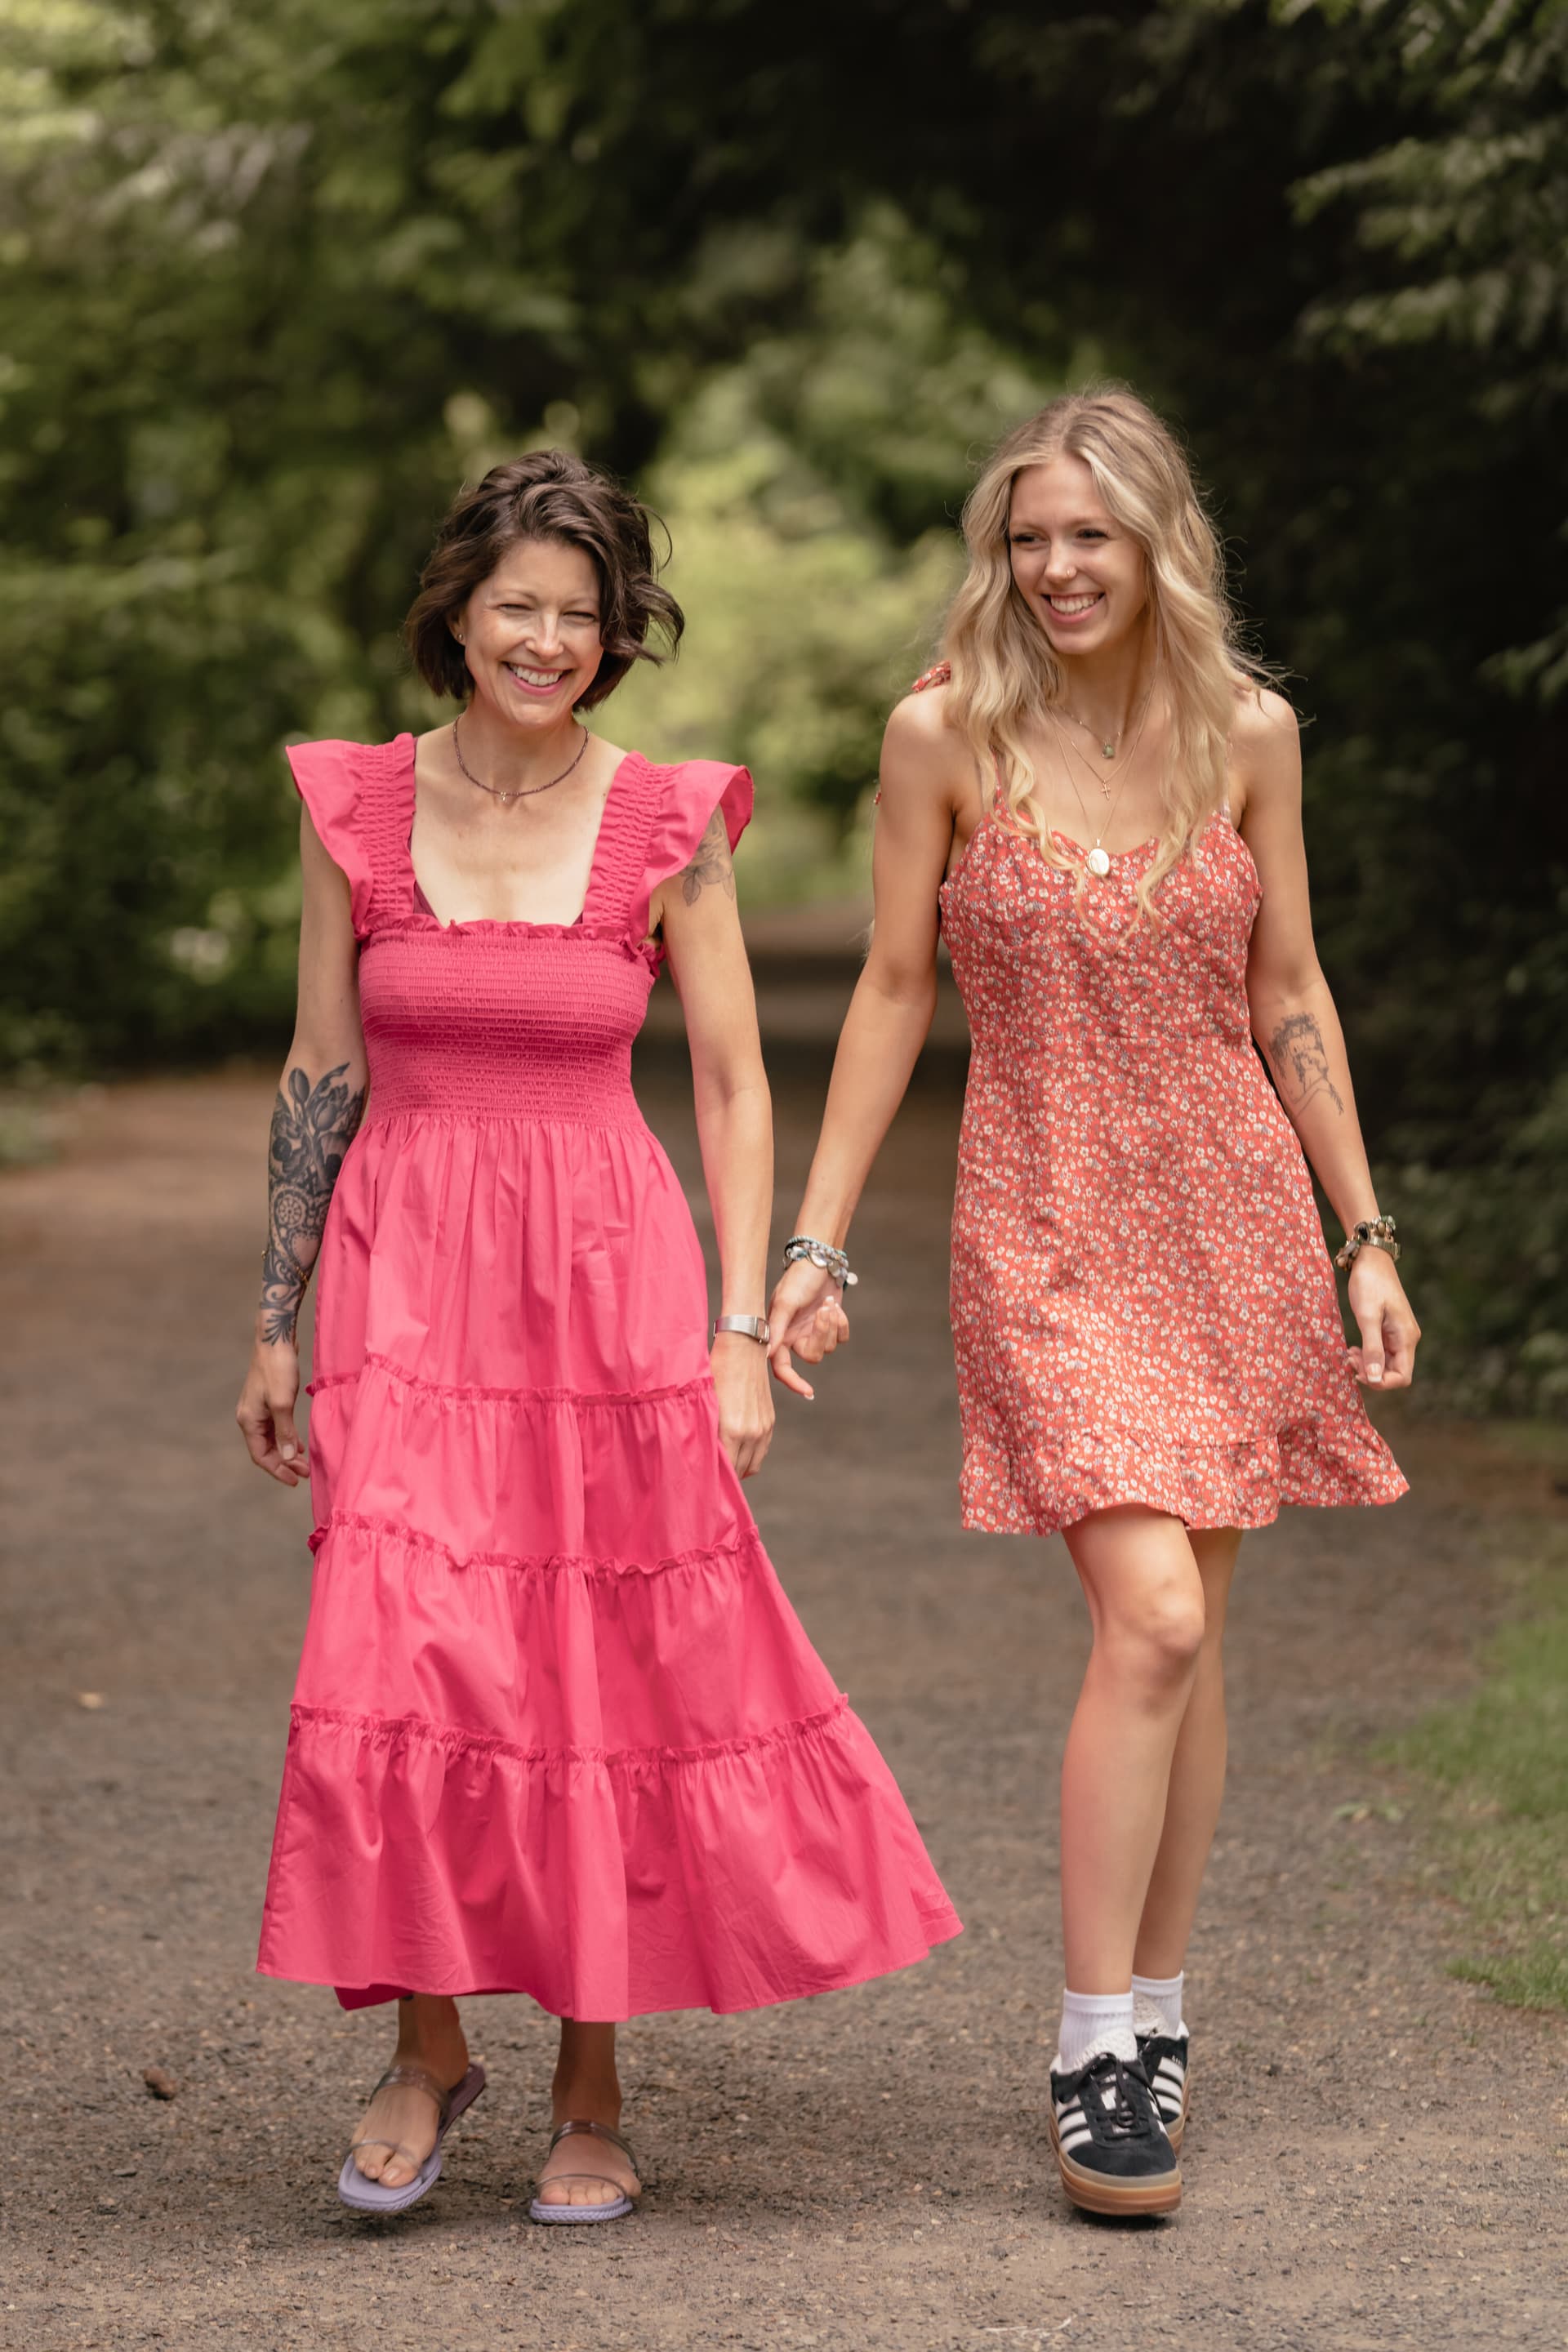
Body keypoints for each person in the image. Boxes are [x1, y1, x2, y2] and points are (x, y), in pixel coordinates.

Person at [235, 451, 959, 2224]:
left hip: (605, 1275)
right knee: (409, 1659)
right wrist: (274, 1315)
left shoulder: (667, 821)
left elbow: (726, 1077)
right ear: (456, 616)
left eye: (581, 613)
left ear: (616, 634)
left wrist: (734, 1330)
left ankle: (592, 2080)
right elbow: (324, 1064)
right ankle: (427, 2043)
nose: (546, 639)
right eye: (517, 608)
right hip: (404, 1280)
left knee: (587, 1672)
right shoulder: (356, 806)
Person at [766, 387, 1417, 2218]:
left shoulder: (1250, 736)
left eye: (1090, 537)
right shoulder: (943, 740)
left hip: (1233, 1222)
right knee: (1149, 1616)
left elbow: (1291, 986)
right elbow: (894, 988)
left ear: (1154, 549)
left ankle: (1163, 2009)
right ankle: (1092, 2046)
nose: (1056, 568)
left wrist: (1363, 1233)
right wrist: (815, 1248)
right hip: (1045, 1225)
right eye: (1029, 536)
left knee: (1193, 1630)